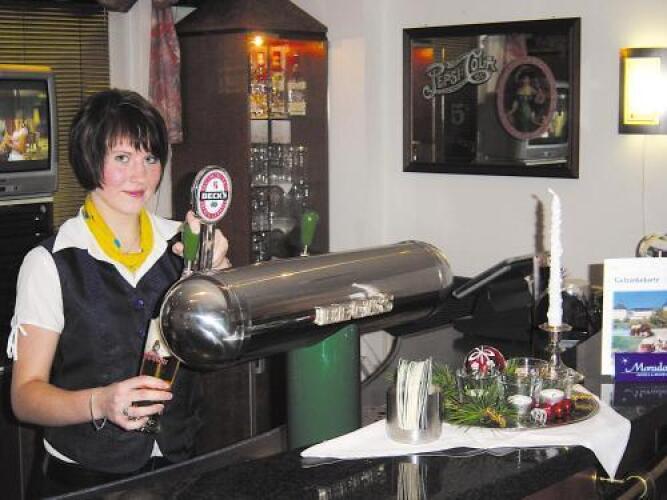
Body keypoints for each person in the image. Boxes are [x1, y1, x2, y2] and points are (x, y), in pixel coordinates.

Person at [7, 89, 230, 496]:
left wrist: (217, 277)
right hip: (84, 481)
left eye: (150, 158)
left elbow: (216, 350)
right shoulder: (51, 262)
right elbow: (24, 396)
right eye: (122, 158)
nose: (140, 175)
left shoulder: (184, 246)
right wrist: (100, 403)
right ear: (90, 160)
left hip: (180, 471)